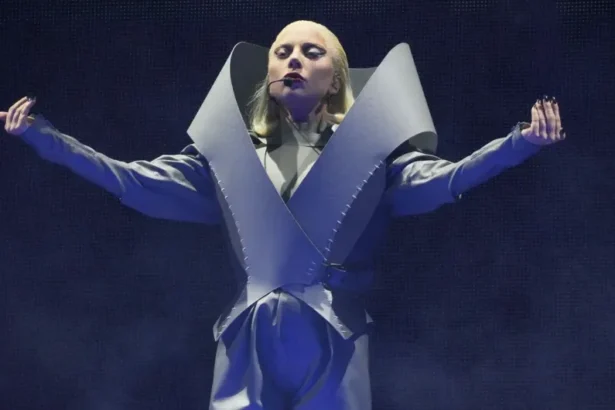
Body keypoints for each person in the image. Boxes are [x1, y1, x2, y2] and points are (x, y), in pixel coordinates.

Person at [1, 20, 564, 410]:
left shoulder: (373, 158)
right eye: (283, 51)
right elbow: (130, 179)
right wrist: (46, 140)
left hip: (335, 333)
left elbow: (449, 178)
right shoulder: (228, 159)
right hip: (248, 336)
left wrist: (519, 144)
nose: (293, 58)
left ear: (336, 78)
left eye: (311, 52)